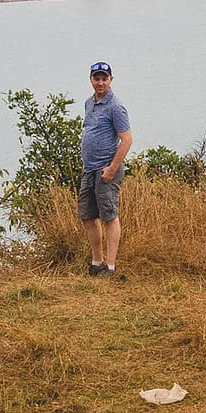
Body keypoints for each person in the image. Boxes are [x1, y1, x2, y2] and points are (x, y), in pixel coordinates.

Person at [80, 59, 132, 277]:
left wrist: (112, 168)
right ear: (91, 80)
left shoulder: (116, 107)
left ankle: (110, 267)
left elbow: (127, 139)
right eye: (96, 78)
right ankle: (96, 262)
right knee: (88, 216)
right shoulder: (89, 103)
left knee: (109, 216)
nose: (100, 82)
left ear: (111, 80)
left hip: (106, 169)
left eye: (104, 78)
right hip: (89, 169)